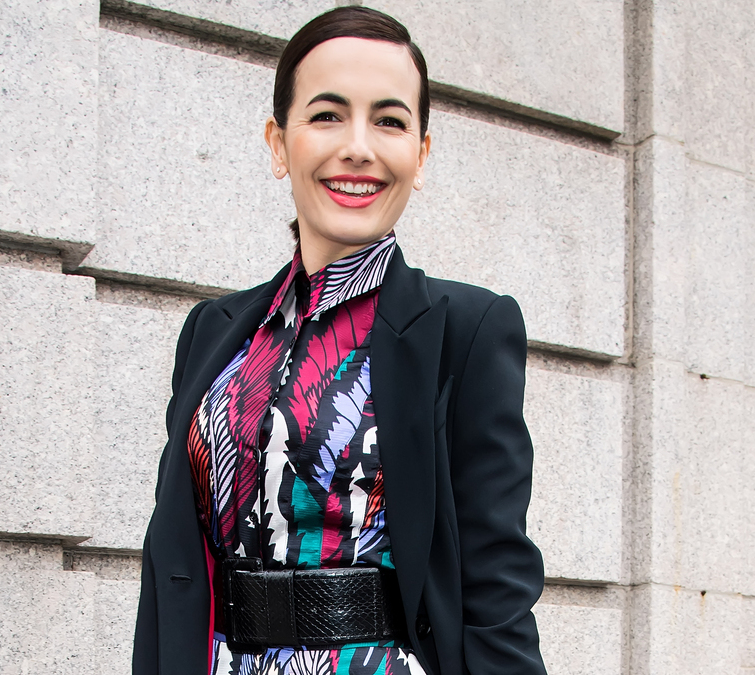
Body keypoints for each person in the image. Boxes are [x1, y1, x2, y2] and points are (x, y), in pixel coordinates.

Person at [133, 7, 546, 674]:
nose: (359, 146)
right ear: (278, 142)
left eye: (389, 120)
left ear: (420, 153)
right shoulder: (213, 332)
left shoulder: (467, 331)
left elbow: (497, 588)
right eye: (327, 115)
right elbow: (172, 564)